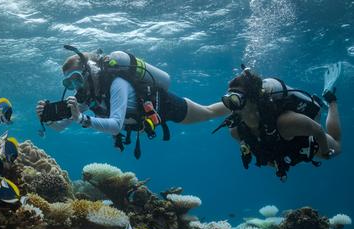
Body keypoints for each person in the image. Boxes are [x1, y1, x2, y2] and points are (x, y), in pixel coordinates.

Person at [35, 45, 230, 159]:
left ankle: (237, 101)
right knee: (208, 113)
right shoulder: (86, 94)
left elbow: (115, 125)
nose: (75, 86)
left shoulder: (117, 83)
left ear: (87, 71)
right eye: (69, 83)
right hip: (140, 123)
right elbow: (61, 128)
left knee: (208, 113)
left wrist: (81, 118)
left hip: (164, 107)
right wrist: (48, 119)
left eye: (77, 78)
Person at [216, 63, 343, 181]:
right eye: (227, 101)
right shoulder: (235, 131)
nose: (231, 107)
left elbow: (318, 130)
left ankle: (331, 99)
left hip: (305, 141)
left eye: (235, 100)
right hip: (286, 151)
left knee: (337, 146)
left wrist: (326, 152)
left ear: (253, 100)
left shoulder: (286, 123)